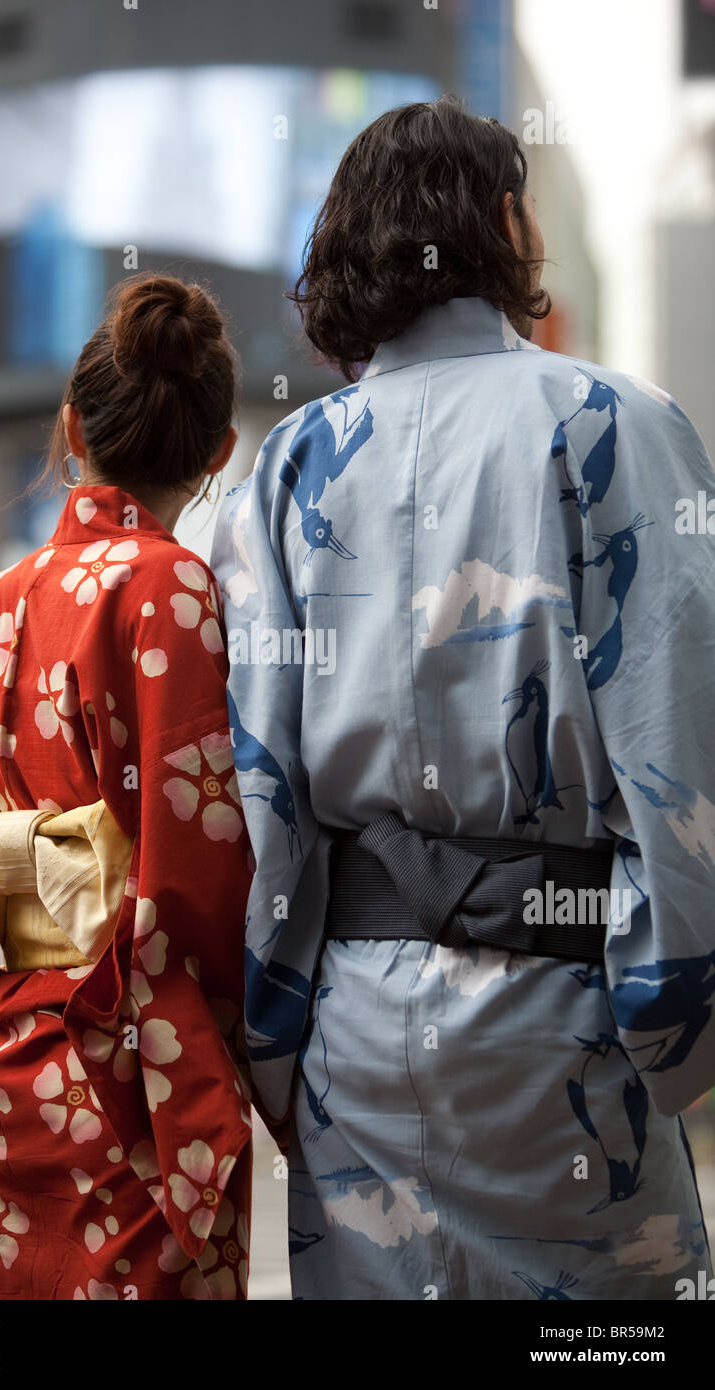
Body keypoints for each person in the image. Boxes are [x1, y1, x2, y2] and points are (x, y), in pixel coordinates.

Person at [209, 95, 715, 1300]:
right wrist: (668, 1029)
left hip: (352, 1041)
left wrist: (282, 1050)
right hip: (561, 1032)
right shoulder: (616, 426)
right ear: (501, 220)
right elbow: (673, 760)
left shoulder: (279, 472)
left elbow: (262, 804)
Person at [0, 274, 254, 1300]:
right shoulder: (169, 588)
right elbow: (195, 876)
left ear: (71, 428)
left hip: (14, 1051)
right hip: (134, 1080)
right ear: (217, 451)